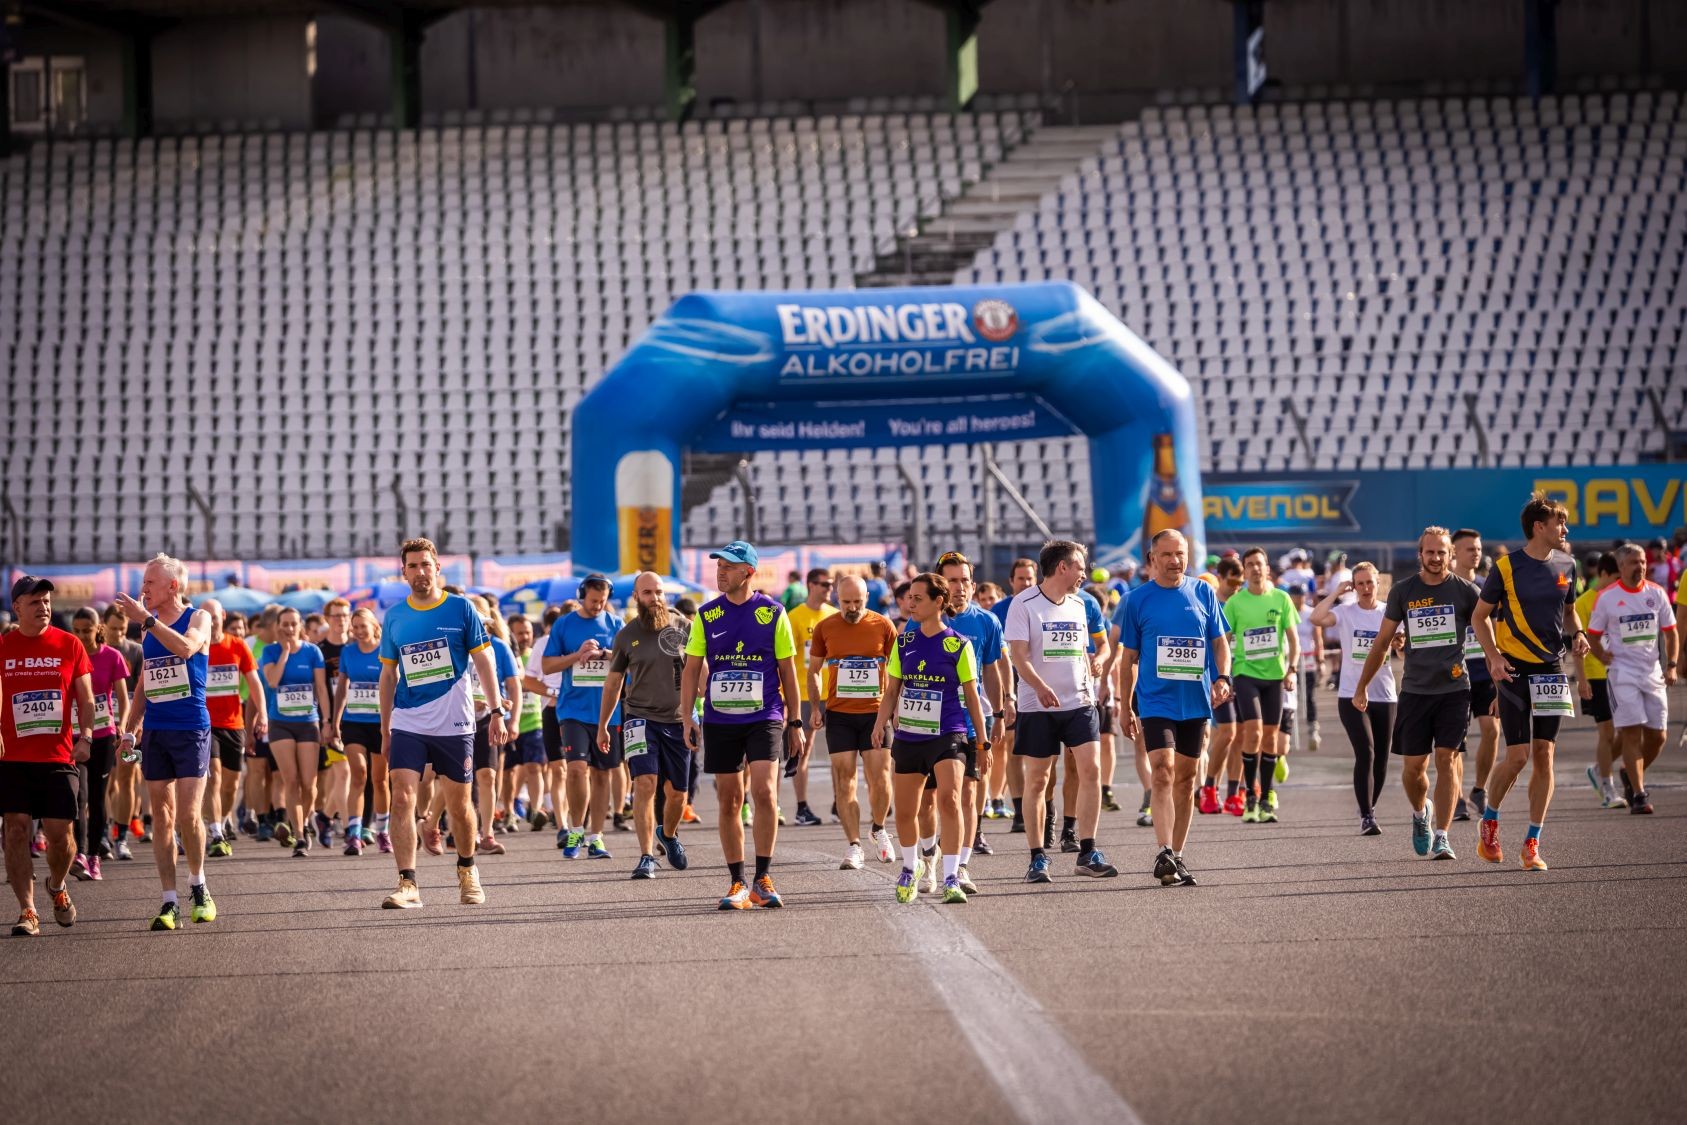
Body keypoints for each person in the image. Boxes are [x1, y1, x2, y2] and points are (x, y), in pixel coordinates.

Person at [377, 538, 509, 910]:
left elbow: (484, 662)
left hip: (455, 721)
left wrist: (496, 711)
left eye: (426, 564)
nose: (420, 572)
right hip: (408, 719)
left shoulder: (461, 608)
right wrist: (385, 728)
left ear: (437, 568)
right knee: (402, 797)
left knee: (460, 804)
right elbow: (388, 676)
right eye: (413, 566)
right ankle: (408, 883)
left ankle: (467, 869)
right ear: (404, 573)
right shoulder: (395, 616)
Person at [679, 540, 805, 910]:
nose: (720, 572)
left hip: (765, 716)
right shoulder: (707, 615)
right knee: (730, 798)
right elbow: (690, 670)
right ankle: (737, 881)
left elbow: (788, 671)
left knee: (764, 792)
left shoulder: (773, 613)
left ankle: (762, 879)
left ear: (748, 572)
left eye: (729, 567)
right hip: (721, 719)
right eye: (718, 566)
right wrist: (687, 717)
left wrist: (795, 722)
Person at [1470, 493, 1590, 872]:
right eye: (1559, 522)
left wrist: (1578, 633)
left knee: (1545, 754)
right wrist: (1494, 656)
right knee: (1518, 756)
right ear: (1539, 527)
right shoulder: (1506, 567)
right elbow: (1479, 617)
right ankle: (1489, 822)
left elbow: (1569, 612)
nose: (1565, 529)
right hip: (1514, 670)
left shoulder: (1568, 565)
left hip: (1551, 669)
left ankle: (1532, 843)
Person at [1352, 528, 1479, 859]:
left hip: (1455, 689)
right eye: (1429, 552)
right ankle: (1422, 813)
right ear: (1420, 554)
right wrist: (1362, 685)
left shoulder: (1466, 591)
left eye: (1441, 552)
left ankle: (1443, 836)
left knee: (1447, 759)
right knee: (1413, 770)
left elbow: (1489, 632)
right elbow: (1382, 642)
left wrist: (1499, 671)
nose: (1435, 558)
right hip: (1415, 691)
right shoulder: (1403, 591)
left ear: (1450, 555)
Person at [1116, 530, 1232, 887]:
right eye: (1166, 554)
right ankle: (1163, 850)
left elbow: (1220, 644)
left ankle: (1177, 856)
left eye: (1180, 553)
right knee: (1163, 771)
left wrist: (1223, 677)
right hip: (1156, 700)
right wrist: (1124, 706)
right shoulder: (1137, 600)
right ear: (1153, 559)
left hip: (1195, 700)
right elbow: (1128, 659)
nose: (1174, 560)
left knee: (1186, 779)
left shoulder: (1203, 592)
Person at [871, 572, 990, 904]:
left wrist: (982, 742)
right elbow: (892, 691)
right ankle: (911, 868)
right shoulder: (904, 642)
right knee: (906, 810)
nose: (910, 603)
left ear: (938, 602)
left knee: (950, 800)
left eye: (918, 598)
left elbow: (973, 697)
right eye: (909, 597)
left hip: (948, 733)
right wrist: (879, 725)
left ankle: (952, 876)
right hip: (910, 736)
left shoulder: (958, 644)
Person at [115, 554, 218, 929]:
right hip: (157, 730)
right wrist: (131, 729)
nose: (143, 589)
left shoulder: (198, 617)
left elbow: (187, 648)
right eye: (143, 582)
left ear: (173, 586)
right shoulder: (148, 629)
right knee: (161, 815)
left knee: (189, 815)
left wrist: (147, 620)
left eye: (150, 582)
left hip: (190, 727)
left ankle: (198, 885)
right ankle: (169, 900)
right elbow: (146, 680)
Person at [1004, 539, 1115, 881]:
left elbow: (1085, 649)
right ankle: (1037, 857)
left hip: (1079, 702)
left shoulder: (1080, 604)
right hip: (1037, 705)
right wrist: (1039, 686)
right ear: (1063, 567)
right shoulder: (1023, 604)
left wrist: (1094, 666)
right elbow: (1018, 655)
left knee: (1091, 770)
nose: (1085, 573)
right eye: (1080, 567)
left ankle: (1087, 851)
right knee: (1038, 779)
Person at [1, 576, 96, 936]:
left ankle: (56, 885)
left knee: (60, 836)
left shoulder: (69, 644)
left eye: (46, 601)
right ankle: (27, 910)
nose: (43, 606)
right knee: (15, 829)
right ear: (17, 608)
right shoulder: (3, 646)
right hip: (11, 757)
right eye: (34, 601)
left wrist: (86, 737)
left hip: (58, 756)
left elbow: (86, 699)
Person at [600, 572, 692, 879]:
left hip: (678, 720)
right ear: (636, 597)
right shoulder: (627, 635)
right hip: (639, 718)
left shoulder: (683, 628)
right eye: (648, 593)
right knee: (645, 783)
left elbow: (700, 670)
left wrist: (700, 712)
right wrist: (603, 725)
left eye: (659, 592)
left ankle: (668, 833)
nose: (655, 598)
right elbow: (613, 684)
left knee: (677, 794)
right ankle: (646, 856)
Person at [808, 574, 899, 869]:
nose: (851, 607)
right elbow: (814, 670)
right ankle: (854, 845)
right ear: (838, 598)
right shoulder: (825, 627)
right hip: (840, 715)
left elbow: (898, 671)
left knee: (880, 777)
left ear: (866, 598)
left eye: (857, 602)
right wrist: (815, 707)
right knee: (844, 779)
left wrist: (895, 708)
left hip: (876, 713)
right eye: (846, 602)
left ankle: (879, 828)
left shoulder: (883, 625)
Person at [934, 551, 1010, 892]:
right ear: (940, 585)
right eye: (952, 581)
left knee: (967, 793)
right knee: (935, 798)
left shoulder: (987, 622)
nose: (959, 587)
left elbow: (991, 670)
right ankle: (929, 852)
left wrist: (999, 712)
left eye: (964, 580)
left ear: (973, 585)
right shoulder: (923, 619)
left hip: (970, 720)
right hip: (931, 722)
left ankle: (960, 865)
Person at [1586, 543, 1677, 815]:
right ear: (1621, 566)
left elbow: (1670, 632)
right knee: (1631, 733)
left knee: (1658, 736)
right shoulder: (1607, 598)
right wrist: (1602, 656)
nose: (1641, 566)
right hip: (1622, 674)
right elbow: (1592, 634)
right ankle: (1639, 794)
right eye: (1635, 562)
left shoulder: (1656, 593)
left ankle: (1629, 771)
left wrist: (1671, 665)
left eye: (1643, 562)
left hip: (1652, 673)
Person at [1311, 564, 1398, 835]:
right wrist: (1336, 592)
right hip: (1350, 693)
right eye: (1360, 583)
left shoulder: (1389, 613)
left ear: (1378, 583)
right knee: (1366, 752)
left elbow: (1403, 647)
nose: (1366, 588)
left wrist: (1401, 645)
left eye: (1370, 582)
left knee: (1381, 757)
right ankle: (1367, 816)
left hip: (1384, 693)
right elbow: (1316, 617)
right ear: (1354, 586)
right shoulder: (1346, 612)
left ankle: (1369, 806)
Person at [542, 574, 624, 859]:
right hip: (572, 710)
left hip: (608, 712)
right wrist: (577, 655)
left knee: (602, 774)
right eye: (593, 601)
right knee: (576, 769)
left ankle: (596, 836)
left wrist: (607, 654)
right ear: (581, 596)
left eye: (602, 601)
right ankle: (576, 829)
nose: (598, 606)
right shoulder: (564, 624)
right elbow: (547, 665)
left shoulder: (616, 624)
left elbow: (630, 662)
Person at [1223, 548, 1299, 823]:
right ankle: (1249, 798)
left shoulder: (1281, 598)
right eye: (1250, 564)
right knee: (1253, 732)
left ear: (1267, 568)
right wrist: (1223, 675)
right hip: (1245, 674)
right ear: (1244, 570)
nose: (1255, 568)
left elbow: (1294, 640)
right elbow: (1223, 641)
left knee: (1270, 737)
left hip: (1275, 677)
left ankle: (1266, 798)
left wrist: (1292, 670)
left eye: (1259, 563)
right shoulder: (1235, 603)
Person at [259, 608, 332, 858]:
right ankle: (299, 835)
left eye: (293, 624)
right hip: (280, 722)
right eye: (285, 624)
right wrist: (285, 652)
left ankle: (306, 818)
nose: (289, 628)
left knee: (309, 784)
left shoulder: (313, 652)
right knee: (290, 780)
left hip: (308, 722)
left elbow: (321, 688)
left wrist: (327, 721)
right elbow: (272, 681)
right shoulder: (270, 651)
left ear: (300, 625)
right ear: (278, 626)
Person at [67, 606, 130, 880]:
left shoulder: (112, 656)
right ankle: (80, 854)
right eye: (77, 631)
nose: (82, 636)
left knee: (96, 796)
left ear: (98, 628)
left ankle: (94, 856)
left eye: (87, 631)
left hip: (104, 736)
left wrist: (123, 727)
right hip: (75, 737)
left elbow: (124, 700)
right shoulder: (68, 656)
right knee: (78, 796)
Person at [200, 599, 264, 859]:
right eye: (206, 617)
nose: (211, 622)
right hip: (205, 723)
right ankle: (216, 832)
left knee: (231, 785)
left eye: (214, 616)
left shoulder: (237, 645)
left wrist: (263, 715)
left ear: (222, 616)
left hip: (234, 723)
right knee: (214, 776)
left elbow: (254, 682)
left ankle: (223, 819)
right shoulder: (196, 646)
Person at [1452, 528, 1502, 819]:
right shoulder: (1446, 587)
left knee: (1492, 730)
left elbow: (1498, 629)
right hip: (1455, 673)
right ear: (1455, 552)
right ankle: (1456, 796)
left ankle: (1479, 790)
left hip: (1484, 672)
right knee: (1456, 743)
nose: (1476, 554)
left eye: (1479, 549)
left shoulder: (1487, 587)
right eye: (1470, 549)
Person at [784, 568, 836, 827]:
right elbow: (786, 661)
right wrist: (785, 696)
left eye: (831, 584)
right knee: (802, 752)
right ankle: (801, 807)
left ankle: (839, 804)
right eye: (824, 584)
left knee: (840, 753)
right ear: (811, 585)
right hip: (806, 693)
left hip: (835, 692)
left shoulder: (834, 615)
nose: (829, 589)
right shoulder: (794, 617)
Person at [1572, 553, 1624, 808]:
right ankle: (1608, 786)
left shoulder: (1621, 598)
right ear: (1603, 574)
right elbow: (1578, 645)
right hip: (1597, 675)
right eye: (1616, 578)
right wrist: (1582, 679)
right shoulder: (1584, 603)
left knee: (1630, 731)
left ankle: (1598, 768)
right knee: (1607, 732)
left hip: (1623, 673)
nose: (1619, 583)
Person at [335, 607, 387, 853]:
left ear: (374, 626)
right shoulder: (348, 652)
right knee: (359, 773)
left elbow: (394, 684)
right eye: (354, 627)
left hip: (380, 723)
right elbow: (341, 688)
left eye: (362, 626)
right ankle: (354, 834)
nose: (358, 631)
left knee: (380, 780)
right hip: (353, 721)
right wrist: (334, 721)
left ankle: (383, 831)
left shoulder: (385, 650)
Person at [1198, 556, 1246, 816]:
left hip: (1245, 675)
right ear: (1221, 578)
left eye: (1240, 583)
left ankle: (1234, 793)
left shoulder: (1243, 602)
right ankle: (1209, 787)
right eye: (1232, 582)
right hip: (1219, 677)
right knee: (1226, 733)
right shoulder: (1212, 604)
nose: (1237, 588)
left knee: (1241, 736)